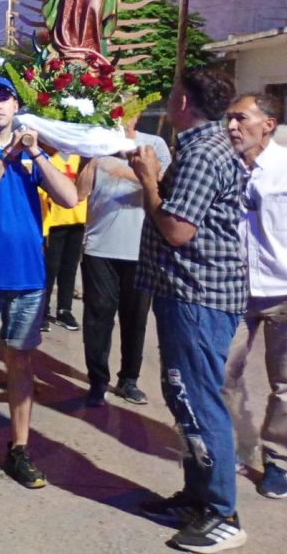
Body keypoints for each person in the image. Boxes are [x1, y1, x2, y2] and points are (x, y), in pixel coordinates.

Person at [130, 68, 248, 551]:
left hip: (199, 294)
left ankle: (223, 514)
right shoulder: (205, 146)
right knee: (185, 398)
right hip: (187, 292)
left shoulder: (201, 153)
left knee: (200, 401)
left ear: (183, 103)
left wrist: (149, 182)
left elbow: (178, 230)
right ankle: (197, 497)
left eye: (173, 95)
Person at [0, 75, 78, 491]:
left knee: (21, 360)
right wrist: (8, 155)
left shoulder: (32, 152)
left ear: (16, 105)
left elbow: (70, 198)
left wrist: (36, 155)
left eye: (3, 98)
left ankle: (19, 448)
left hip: (27, 275)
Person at [73, 112, 170, 408]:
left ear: (137, 113)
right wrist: (92, 157)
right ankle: (97, 381)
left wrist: (124, 168)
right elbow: (78, 193)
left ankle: (129, 379)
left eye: (127, 109)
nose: (120, 115)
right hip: (99, 247)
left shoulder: (154, 145)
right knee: (97, 317)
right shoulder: (95, 147)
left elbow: (162, 186)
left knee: (135, 319)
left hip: (142, 248)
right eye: (114, 108)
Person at [223, 93, 287, 500]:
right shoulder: (223, 166)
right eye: (228, 118)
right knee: (220, 372)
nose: (231, 126)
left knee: (286, 383)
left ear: (268, 123)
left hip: (285, 290)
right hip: (232, 291)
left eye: (240, 118)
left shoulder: (286, 167)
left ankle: (278, 458)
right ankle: (227, 445)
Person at [40, 149, 86, 332]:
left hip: (78, 220)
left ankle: (64, 309)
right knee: (50, 267)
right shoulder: (49, 158)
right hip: (55, 222)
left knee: (70, 268)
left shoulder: (80, 158)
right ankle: (42, 310)